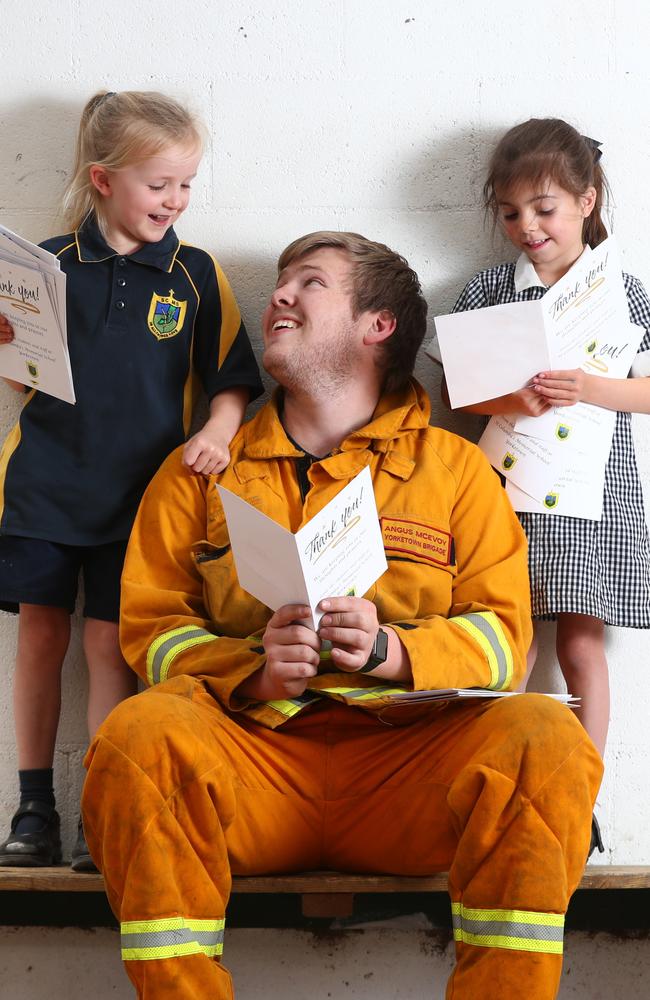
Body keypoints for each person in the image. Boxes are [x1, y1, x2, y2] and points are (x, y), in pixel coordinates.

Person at [83, 231, 601, 999]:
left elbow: (504, 640)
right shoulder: (199, 469)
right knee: (135, 735)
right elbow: (151, 637)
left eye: (310, 283)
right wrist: (252, 672)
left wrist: (391, 650)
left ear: (377, 325)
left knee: (549, 739)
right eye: (281, 281)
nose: (280, 296)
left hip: (410, 774)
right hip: (250, 770)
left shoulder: (456, 470)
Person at [0, 90, 263, 871]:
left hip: (144, 501)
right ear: (103, 179)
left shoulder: (195, 276)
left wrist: (218, 432)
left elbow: (231, 380)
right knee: (41, 638)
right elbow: (22, 380)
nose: (175, 200)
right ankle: (34, 807)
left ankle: (101, 811)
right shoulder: (42, 266)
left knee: (112, 647)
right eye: (160, 184)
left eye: (185, 184)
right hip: (45, 487)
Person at [448, 118, 650, 762]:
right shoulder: (491, 290)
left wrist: (587, 388)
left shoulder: (625, 294)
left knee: (580, 643)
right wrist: (516, 398)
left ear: (585, 202)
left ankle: (582, 786)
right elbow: (459, 391)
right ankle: (493, 773)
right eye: (510, 213)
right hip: (508, 485)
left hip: (593, 489)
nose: (527, 227)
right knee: (508, 636)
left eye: (544, 208)